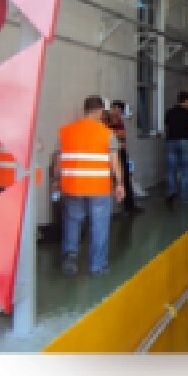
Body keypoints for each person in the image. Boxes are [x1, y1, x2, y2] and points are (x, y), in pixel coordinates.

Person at [55, 95, 125, 276]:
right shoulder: (107, 134)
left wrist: (57, 182)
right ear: (100, 111)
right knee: (99, 225)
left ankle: (70, 259)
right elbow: (115, 163)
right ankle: (97, 266)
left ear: (85, 110)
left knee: (72, 222)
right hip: (98, 188)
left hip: (72, 186)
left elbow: (58, 160)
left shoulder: (65, 131)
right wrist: (119, 184)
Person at [107, 100, 144, 214]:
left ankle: (128, 205)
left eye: (119, 109)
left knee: (126, 178)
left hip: (121, 152)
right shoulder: (111, 120)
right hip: (115, 153)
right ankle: (123, 205)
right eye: (115, 108)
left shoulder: (118, 120)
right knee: (121, 178)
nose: (117, 111)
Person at [164, 90, 188, 207]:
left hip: (170, 141)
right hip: (183, 141)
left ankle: (171, 191)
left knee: (170, 169)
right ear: (186, 101)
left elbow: (167, 126)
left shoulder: (169, 112)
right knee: (184, 169)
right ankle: (183, 195)